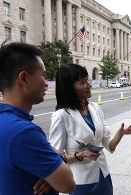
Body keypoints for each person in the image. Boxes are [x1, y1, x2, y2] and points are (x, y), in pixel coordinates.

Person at [49, 63, 131, 195]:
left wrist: (120, 133)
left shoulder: (95, 108)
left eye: (88, 80)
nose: (90, 85)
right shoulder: (61, 116)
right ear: (70, 88)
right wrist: (80, 155)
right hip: (81, 183)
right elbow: (54, 158)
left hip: (103, 176)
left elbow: (108, 144)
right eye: (83, 82)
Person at [0, 42, 75, 195]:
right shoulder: (23, 132)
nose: (46, 83)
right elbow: (68, 184)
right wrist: (57, 159)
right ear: (24, 79)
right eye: (43, 75)